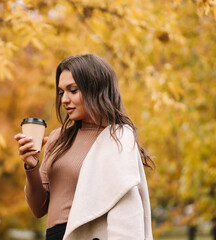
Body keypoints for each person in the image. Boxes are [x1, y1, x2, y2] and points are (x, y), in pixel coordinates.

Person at [14, 53, 154, 240]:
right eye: (61, 92)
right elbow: (39, 208)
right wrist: (32, 166)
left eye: (73, 90)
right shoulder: (58, 138)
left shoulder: (118, 139)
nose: (64, 99)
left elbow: (126, 211)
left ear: (95, 89)